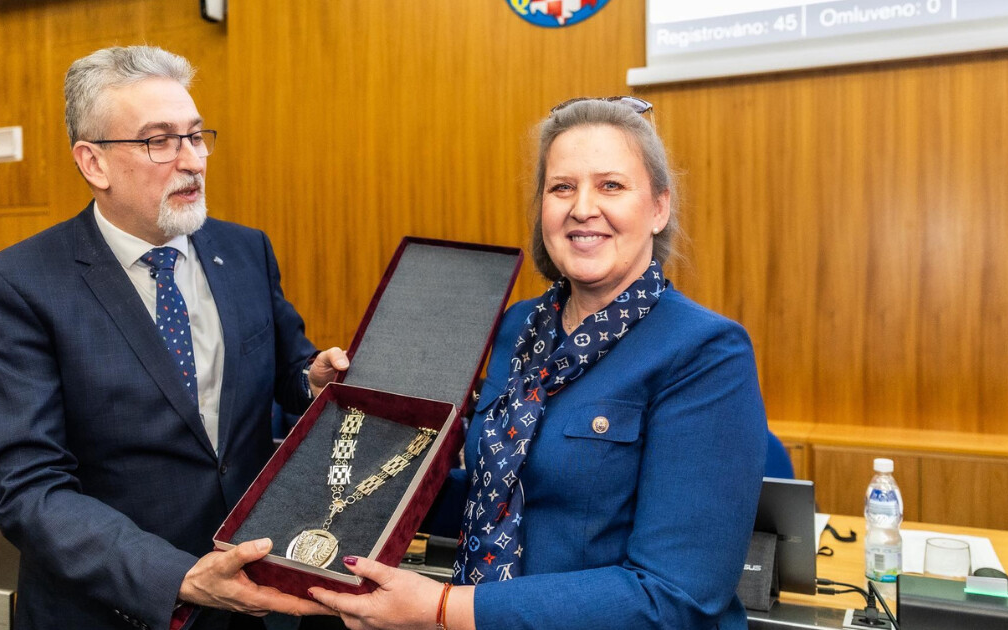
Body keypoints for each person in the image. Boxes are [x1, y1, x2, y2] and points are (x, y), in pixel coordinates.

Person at [308, 97, 768, 629]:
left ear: (659, 208)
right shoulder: (513, 329)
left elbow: (677, 596)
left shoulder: (705, 353)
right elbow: (503, 496)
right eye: (562, 187)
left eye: (611, 186)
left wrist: (441, 609)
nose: (582, 207)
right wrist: (352, 424)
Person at [0, 45, 342, 630]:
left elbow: (285, 369)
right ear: (94, 163)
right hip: (113, 610)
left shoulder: (244, 251)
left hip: (256, 605)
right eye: (158, 141)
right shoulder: (17, 287)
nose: (191, 160)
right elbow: (26, 487)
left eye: (196, 135)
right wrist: (179, 578)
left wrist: (311, 379)